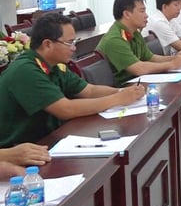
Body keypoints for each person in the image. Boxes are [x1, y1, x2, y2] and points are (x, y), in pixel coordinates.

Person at [0, 14, 146, 148]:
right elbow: (66, 109)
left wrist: (123, 91)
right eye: (69, 43)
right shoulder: (26, 70)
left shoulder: (55, 65)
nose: (74, 48)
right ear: (47, 44)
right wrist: (117, 99)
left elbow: (89, 90)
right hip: (18, 148)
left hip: (45, 139)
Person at [96, 0, 181, 86]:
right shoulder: (114, 39)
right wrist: (172, 64)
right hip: (120, 89)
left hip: (135, 83)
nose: (146, 15)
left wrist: (175, 58)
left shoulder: (134, 32)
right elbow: (139, 68)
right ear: (127, 14)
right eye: (142, 11)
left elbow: (150, 57)